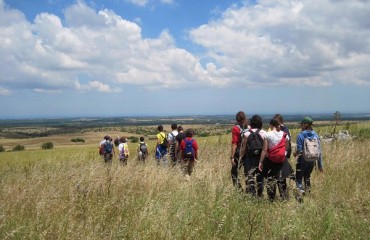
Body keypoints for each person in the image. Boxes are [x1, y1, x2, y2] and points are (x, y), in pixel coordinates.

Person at [258, 119, 289, 201]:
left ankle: (271, 198)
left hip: (270, 160)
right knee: (282, 179)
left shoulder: (267, 135)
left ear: (271, 125)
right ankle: (284, 197)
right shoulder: (285, 135)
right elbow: (286, 148)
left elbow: (264, 150)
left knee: (270, 179)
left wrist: (260, 162)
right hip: (282, 160)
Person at [293, 117, 323, 195]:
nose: (300, 126)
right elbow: (319, 151)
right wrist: (320, 165)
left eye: (302, 124)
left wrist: (295, 154)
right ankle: (308, 193)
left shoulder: (300, 135)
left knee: (299, 177)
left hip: (302, 160)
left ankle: (301, 191)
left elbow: (299, 150)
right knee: (307, 177)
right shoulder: (316, 135)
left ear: (306, 125)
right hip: (312, 160)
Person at [240, 114, 266, 197]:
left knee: (250, 177)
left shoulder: (246, 134)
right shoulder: (264, 133)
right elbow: (265, 149)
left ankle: (252, 195)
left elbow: (243, 148)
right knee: (260, 178)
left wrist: (240, 158)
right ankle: (260, 194)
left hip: (249, 159)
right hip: (260, 159)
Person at [273, 114, 295, 200]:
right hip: (280, 156)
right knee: (279, 177)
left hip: (281, 156)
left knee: (280, 177)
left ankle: (283, 196)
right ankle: (283, 196)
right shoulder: (286, 129)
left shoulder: (283, 130)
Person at [230, 111, 249, 189]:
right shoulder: (250, 127)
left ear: (237, 120)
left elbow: (234, 143)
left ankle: (239, 190)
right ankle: (250, 190)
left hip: (239, 152)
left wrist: (232, 157)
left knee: (234, 173)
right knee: (248, 173)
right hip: (249, 153)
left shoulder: (236, 128)